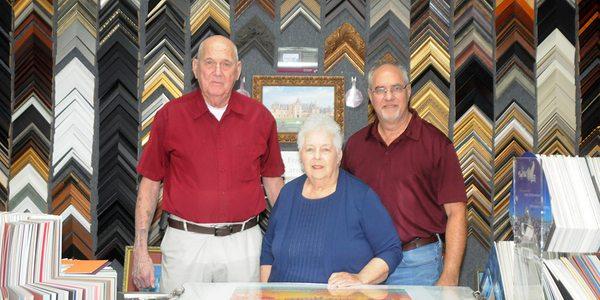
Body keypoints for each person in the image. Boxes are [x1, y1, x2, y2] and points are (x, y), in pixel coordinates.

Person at [132, 35, 285, 293]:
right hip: (185, 245)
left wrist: (288, 242)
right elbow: (149, 184)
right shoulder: (169, 117)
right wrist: (140, 248)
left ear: (237, 70)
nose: (217, 72)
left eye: (226, 64)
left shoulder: (261, 118)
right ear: (195, 67)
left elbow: (274, 185)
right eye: (209, 62)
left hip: (244, 246)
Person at [342, 63, 467, 286]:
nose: (388, 97)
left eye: (396, 88)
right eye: (380, 90)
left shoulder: (436, 144)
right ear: (371, 96)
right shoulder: (355, 146)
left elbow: (456, 212)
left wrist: (450, 274)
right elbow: (341, 207)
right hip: (365, 265)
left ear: (408, 92)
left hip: (418, 265)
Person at [260, 114, 402, 287]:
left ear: (339, 155)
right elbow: (268, 249)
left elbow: (391, 250)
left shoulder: (361, 196)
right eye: (310, 149)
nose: (317, 156)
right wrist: (266, 291)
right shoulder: (288, 194)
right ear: (301, 155)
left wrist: (360, 279)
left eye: (325, 149)